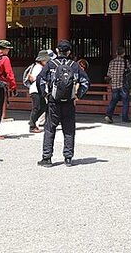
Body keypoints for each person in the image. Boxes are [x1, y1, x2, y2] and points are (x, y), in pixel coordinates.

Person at [36, 39, 89, 167]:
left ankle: (47, 158)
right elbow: (86, 82)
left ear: (57, 51)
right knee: (69, 130)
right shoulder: (74, 65)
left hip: (54, 102)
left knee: (50, 129)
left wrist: (45, 95)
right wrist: (77, 96)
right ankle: (68, 158)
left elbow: (40, 80)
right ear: (69, 52)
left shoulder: (51, 64)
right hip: (69, 102)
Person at [103, 46, 130, 124]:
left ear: (116, 53)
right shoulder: (125, 62)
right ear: (124, 53)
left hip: (114, 85)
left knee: (113, 100)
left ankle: (108, 115)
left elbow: (109, 74)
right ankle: (125, 118)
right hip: (123, 84)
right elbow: (129, 72)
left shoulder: (112, 62)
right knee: (125, 101)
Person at [25, 51, 50, 133]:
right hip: (36, 90)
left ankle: (33, 121)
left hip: (39, 90)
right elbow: (33, 78)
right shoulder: (37, 67)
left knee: (43, 107)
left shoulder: (40, 67)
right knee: (37, 107)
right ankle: (32, 125)